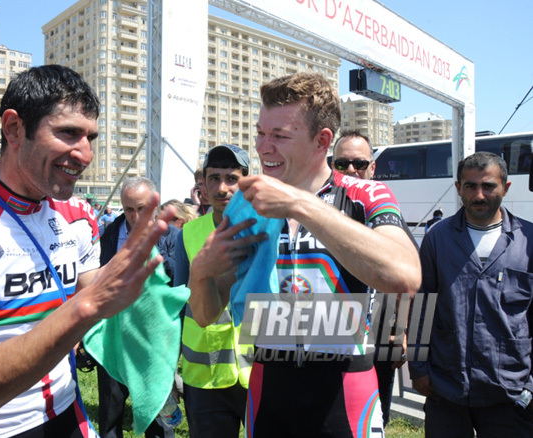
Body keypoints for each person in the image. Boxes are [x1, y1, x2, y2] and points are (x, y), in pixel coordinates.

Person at [0, 65, 175, 437]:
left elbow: (101, 308)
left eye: (90, 138)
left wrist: (192, 280)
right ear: (15, 129)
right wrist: (87, 306)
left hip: (66, 410)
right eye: (68, 133)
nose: (85, 153)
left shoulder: (79, 215)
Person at [188, 72, 421, 437]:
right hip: (268, 381)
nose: (264, 148)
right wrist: (199, 274)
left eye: (279, 136)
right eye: (260, 133)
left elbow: (405, 275)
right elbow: (205, 315)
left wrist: (300, 203)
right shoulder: (245, 207)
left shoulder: (365, 195)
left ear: (322, 140)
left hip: (345, 384)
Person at [409, 151, 533, 437]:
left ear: (506, 187)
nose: (479, 195)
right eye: (470, 186)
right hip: (446, 388)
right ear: (458, 188)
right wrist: (418, 367)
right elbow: (421, 305)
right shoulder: (437, 239)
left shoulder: (528, 241)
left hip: (509, 393)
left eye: (488, 186)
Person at [173, 144, 252, 438]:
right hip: (205, 379)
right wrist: (168, 368)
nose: (222, 188)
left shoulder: (271, 230)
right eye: (213, 178)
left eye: (231, 178)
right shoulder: (188, 235)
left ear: (246, 180)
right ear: (203, 185)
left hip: (259, 373)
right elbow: (177, 307)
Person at [332, 130, 408, 427]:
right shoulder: (317, 211)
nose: (351, 170)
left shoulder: (387, 214)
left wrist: (401, 331)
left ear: (373, 168)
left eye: (360, 163)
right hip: (328, 339)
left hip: (378, 339)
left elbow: (405, 277)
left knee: (376, 420)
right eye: (342, 164)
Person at [96, 176, 179, 438]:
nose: (134, 216)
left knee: (156, 408)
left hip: (152, 339)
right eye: (128, 209)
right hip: (115, 335)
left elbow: (177, 284)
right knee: (111, 408)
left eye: (141, 208)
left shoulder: (173, 237)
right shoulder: (111, 233)